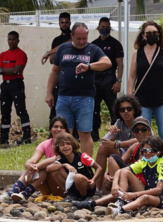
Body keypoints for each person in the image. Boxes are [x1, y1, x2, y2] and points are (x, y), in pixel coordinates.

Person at [45, 22, 112, 158]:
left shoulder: (93, 49)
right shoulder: (63, 48)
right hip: (63, 97)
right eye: (78, 39)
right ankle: (64, 163)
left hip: (85, 98)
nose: (82, 42)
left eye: (84, 38)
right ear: (72, 36)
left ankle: (86, 166)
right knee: (63, 133)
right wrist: (49, 93)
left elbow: (107, 62)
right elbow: (54, 71)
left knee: (85, 133)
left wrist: (89, 66)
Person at [71, 117, 152, 211]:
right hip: (133, 182)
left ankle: (120, 199)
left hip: (146, 188)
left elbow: (132, 169)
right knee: (113, 157)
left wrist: (115, 180)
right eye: (137, 130)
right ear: (133, 133)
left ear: (149, 131)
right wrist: (107, 175)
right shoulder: (135, 146)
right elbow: (120, 160)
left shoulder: (153, 148)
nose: (140, 133)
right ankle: (92, 203)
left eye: (143, 130)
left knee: (125, 172)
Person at [127, 21, 163, 166]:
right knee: (142, 133)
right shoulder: (137, 53)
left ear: (159, 34)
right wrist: (130, 98)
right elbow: (131, 77)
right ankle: (144, 162)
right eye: (148, 33)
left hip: (162, 99)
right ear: (143, 35)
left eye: (155, 33)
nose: (152, 36)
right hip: (142, 101)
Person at [23, 132, 103, 203]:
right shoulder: (62, 159)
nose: (65, 147)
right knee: (56, 170)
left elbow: (98, 168)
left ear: (72, 145)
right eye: (62, 145)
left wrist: (93, 180)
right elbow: (49, 168)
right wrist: (64, 165)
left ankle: (84, 199)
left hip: (88, 186)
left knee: (77, 176)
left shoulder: (82, 156)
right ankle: (71, 195)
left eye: (68, 144)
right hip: (74, 187)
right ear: (59, 149)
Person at [108, 135, 163, 217]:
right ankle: (121, 201)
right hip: (147, 190)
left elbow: (158, 190)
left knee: (145, 198)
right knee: (125, 172)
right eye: (144, 150)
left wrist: (135, 194)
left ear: (159, 152)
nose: (147, 153)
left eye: (151, 150)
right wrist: (115, 184)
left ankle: (120, 210)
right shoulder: (144, 161)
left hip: (162, 197)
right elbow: (122, 171)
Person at [6, 116, 69, 201]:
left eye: (61, 127)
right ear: (50, 129)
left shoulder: (68, 144)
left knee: (47, 168)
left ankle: (22, 194)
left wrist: (36, 167)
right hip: (48, 188)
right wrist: (29, 166)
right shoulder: (46, 144)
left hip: (64, 187)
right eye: (56, 127)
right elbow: (32, 160)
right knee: (39, 168)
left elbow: (57, 158)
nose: (58, 129)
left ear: (65, 130)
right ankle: (15, 193)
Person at [93, 95, 141, 191]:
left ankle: (119, 189)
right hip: (123, 157)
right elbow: (104, 142)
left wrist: (117, 144)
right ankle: (97, 189)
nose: (126, 112)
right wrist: (111, 133)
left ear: (134, 110)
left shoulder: (140, 122)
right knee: (103, 148)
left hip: (138, 157)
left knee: (114, 157)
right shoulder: (119, 123)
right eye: (122, 110)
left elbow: (141, 140)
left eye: (129, 109)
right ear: (118, 112)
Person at [90, 17, 124, 142]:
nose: (105, 29)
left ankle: (114, 134)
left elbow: (120, 64)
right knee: (94, 108)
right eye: (102, 27)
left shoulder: (115, 44)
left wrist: (118, 81)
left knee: (113, 108)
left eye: (107, 26)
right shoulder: (93, 45)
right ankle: (94, 135)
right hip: (95, 79)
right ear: (98, 28)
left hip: (109, 79)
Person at [0, 31, 31, 145]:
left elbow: (17, 70)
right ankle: (4, 137)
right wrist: (6, 70)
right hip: (5, 85)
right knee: (5, 111)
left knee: (21, 110)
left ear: (18, 40)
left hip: (17, 84)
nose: (11, 41)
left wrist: (2, 70)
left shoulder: (21, 54)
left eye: (14, 39)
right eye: (9, 39)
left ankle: (26, 137)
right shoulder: (2, 55)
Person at [41, 12, 72, 125]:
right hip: (59, 78)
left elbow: (69, 43)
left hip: (71, 78)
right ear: (59, 23)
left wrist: (50, 52)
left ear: (70, 23)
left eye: (66, 22)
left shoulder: (73, 37)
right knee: (54, 109)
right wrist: (54, 53)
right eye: (62, 22)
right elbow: (52, 60)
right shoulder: (56, 40)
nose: (64, 24)